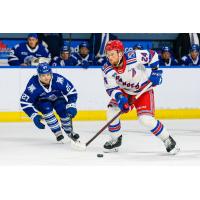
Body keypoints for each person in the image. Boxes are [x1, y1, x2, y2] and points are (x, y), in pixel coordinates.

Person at [102, 40, 180, 154]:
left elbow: (152, 55)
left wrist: (155, 71)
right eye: (108, 54)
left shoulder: (134, 56)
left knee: (145, 120)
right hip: (124, 92)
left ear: (120, 53)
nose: (109, 57)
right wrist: (120, 98)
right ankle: (115, 140)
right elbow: (111, 89)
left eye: (112, 54)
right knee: (112, 110)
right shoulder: (106, 68)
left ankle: (167, 139)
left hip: (143, 90)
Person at [20, 63, 79, 142]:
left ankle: (69, 131)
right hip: (41, 101)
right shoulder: (33, 85)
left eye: (48, 74)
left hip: (57, 97)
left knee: (63, 109)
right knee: (46, 109)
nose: (46, 78)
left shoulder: (58, 79)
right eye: (43, 75)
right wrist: (34, 116)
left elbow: (72, 92)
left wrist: (71, 105)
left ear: (51, 73)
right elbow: (24, 102)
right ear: (38, 75)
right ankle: (57, 132)